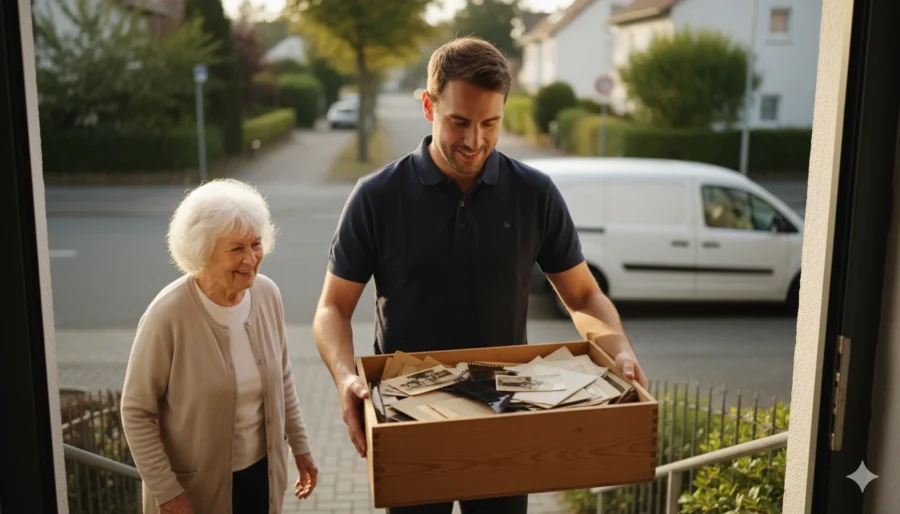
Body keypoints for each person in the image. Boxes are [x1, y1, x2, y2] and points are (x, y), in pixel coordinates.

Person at [312, 37, 648, 514]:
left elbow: (584, 296)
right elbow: (332, 308)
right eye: (459, 122)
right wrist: (346, 378)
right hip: (410, 425)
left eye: (491, 124)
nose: (474, 141)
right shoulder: (376, 197)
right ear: (429, 105)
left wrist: (619, 347)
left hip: (507, 421)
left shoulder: (535, 193)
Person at [121, 179, 318, 514]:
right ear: (203, 252)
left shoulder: (267, 295)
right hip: (194, 492)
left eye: (256, 244)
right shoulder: (167, 315)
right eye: (236, 248)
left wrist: (300, 447)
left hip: (262, 477)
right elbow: (136, 412)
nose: (251, 258)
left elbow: (282, 378)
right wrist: (167, 492)